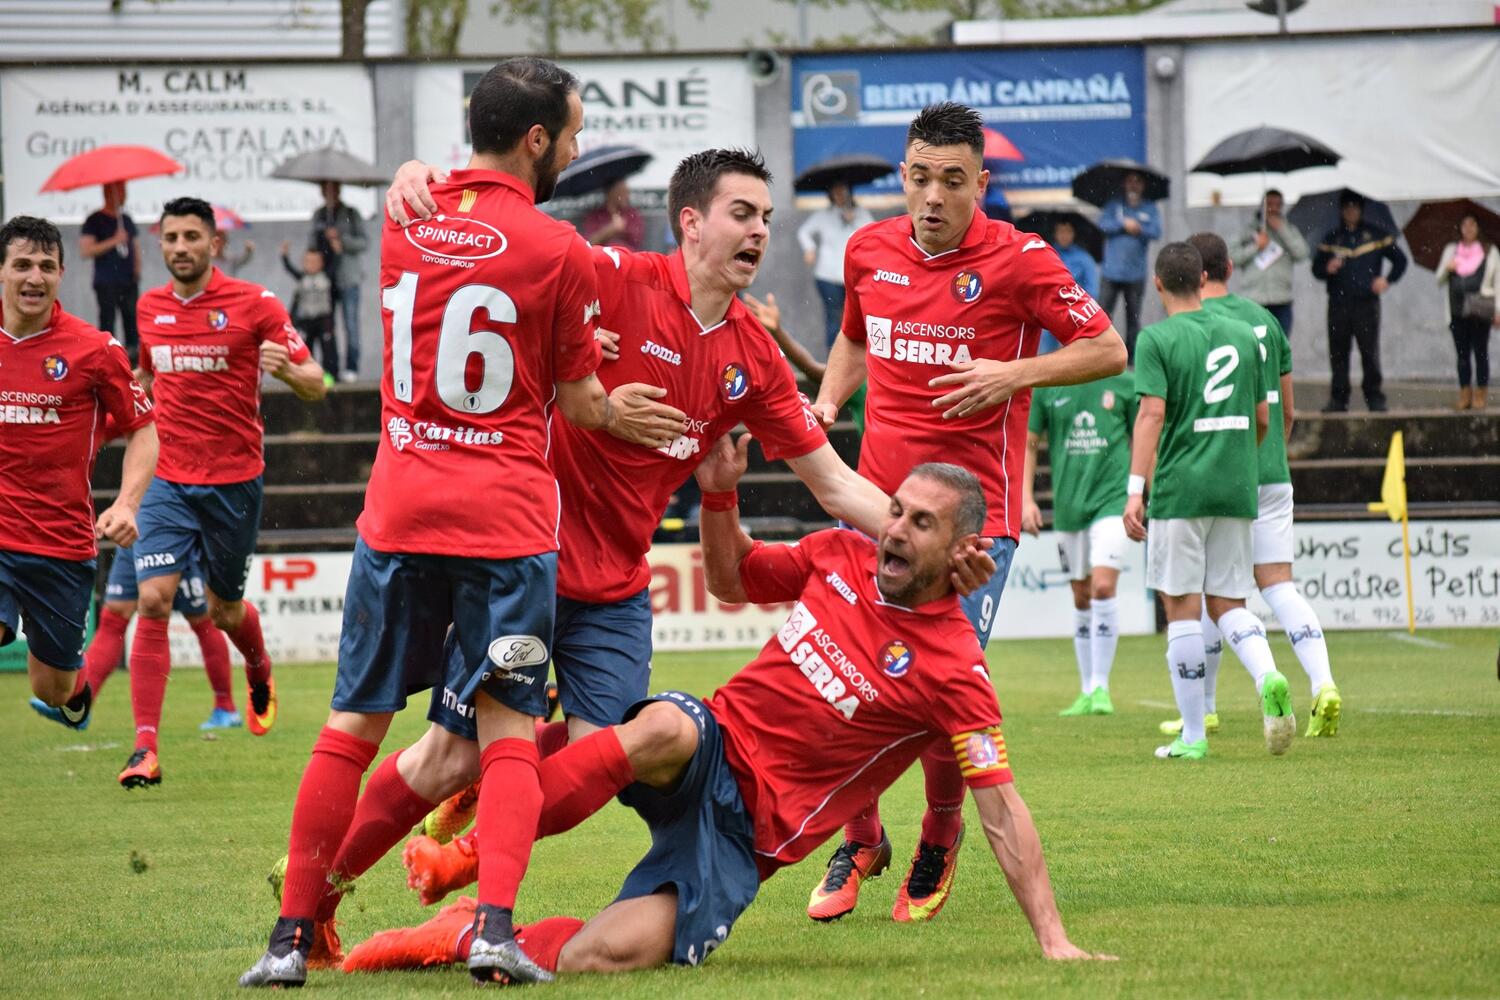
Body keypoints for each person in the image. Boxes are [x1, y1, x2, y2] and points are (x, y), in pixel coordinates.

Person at [287, 145, 993, 961]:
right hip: (527, 560)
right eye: (741, 213)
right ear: (689, 222)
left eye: (766, 218)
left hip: (616, 586)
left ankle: (478, 869)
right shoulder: (610, 276)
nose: (759, 231)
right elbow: (501, 257)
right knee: (445, 757)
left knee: (602, 759)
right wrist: (424, 179)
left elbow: (835, 485)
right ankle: (316, 900)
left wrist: (932, 543)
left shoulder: (752, 357)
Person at [237, 56, 672, 990]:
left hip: (398, 511)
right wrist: (614, 403)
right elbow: (580, 404)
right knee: (510, 731)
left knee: (352, 725)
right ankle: (493, 933)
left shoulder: (409, 214)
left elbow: (456, 273)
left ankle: (287, 939)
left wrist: (418, 174)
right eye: (573, 133)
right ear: (536, 139)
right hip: (504, 528)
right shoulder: (558, 248)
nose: (577, 149)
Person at [340, 460, 1115, 977]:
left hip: (747, 839)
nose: (895, 530)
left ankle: (459, 932)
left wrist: (1054, 940)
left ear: (961, 550)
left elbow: (1002, 810)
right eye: (895, 511)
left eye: (921, 524)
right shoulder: (839, 555)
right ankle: (469, 854)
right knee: (661, 727)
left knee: (600, 958)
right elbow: (731, 577)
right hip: (711, 743)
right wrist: (719, 494)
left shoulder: (956, 670)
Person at [808, 101, 1126, 926]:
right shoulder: (867, 249)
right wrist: (829, 401)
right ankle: (860, 838)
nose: (933, 196)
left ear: (980, 184)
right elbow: (855, 338)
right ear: (902, 176)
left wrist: (1010, 376)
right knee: (838, 679)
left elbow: (1108, 348)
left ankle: (939, 832)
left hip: (971, 523)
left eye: (952, 180)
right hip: (874, 508)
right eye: (920, 178)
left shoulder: (1022, 260)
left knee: (939, 695)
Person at [126, 197, 326, 790]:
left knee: (223, 610)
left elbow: (316, 383)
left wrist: (285, 371)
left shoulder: (255, 303)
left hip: (234, 481)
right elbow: (145, 378)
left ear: (214, 244)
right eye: (171, 237)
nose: (180, 247)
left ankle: (258, 669)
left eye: (191, 236)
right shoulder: (149, 307)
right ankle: (144, 750)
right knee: (153, 599)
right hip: (167, 477)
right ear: (160, 245)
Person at [1152, 232, 1341, 740]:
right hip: (1269, 469)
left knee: (1205, 593)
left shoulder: (1192, 327)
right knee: (1276, 585)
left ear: (1192, 275)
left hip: (1213, 472)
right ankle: (1323, 683)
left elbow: (1169, 411)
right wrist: (1268, 452)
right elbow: (1286, 409)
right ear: (1230, 268)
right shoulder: (1265, 322)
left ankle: (1205, 710)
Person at [1123, 242, 1293, 761]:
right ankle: (1268, 675)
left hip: (1182, 488)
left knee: (1181, 607)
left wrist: (1135, 490)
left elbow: (1152, 414)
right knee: (1229, 605)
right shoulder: (1243, 335)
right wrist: (1235, 459)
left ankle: (1194, 736)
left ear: (1157, 284)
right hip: (1237, 486)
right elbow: (1264, 418)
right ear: (1203, 279)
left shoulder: (1156, 338)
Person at [0, 215, 158, 732]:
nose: (35, 277)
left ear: (61, 274)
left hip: (60, 544)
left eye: (46, 266)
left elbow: (143, 430)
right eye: (22, 264)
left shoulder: (95, 349)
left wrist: (127, 504)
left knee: (52, 687)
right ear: (2, 271)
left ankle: (75, 690)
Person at [1021, 367, 1136, 717]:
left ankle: (1101, 686)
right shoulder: (1049, 384)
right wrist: (1026, 499)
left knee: (1103, 587)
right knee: (1081, 594)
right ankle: (1086, 690)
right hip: (1069, 506)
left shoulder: (1125, 383)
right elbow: (1029, 443)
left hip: (1112, 501)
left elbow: (1145, 437)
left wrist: (1140, 492)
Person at [1311, 191, 1407, 412]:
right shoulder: (1333, 238)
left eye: (1354, 207)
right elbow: (1316, 269)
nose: (1351, 211)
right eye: (1347, 208)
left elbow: (1400, 261)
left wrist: (1387, 280)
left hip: (1366, 303)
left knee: (1369, 352)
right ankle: (1339, 398)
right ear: (1341, 210)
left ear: (1361, 210)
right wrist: (1328, 267)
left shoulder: (1375, 235)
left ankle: (1374, 397)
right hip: (1338, 303)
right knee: (1338, 352)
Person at [1435, 213, 1500, 410]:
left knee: (1480, 351)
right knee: (1462, 354)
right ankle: (1465, 392)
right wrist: (1448, 268)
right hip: (1457, 310)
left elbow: (1498, 282)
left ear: (1478, 228)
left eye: (1473, 224)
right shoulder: (1452, 250)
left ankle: (1481, 392)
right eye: (1465, 225)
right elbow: (1439, 279)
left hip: (1480, 309)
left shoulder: (1489, 251)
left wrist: (1498, 310)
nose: (1469, 229)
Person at [796, 181, 873, 347]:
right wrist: (810, 248)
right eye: (836, 192)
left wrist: (854, 221)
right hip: (828, 275)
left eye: (842, 191)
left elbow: (872, 234)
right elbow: (804, 231)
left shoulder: (861, 214)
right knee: (833, 317)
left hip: (853, 276)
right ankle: (832, 356)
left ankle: (853, 355)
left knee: (855, 318)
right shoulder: (823, 215)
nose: (839, 195)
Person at [1097, 171, 1162, 362]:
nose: (1134, 185)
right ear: (1124, 184)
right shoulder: (1114, 205)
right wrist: (1122, 224)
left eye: (1138, 181)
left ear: (1143, 185)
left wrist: (1139, 228)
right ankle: (1100, 354)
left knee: (1133, 318)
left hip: (1135, 273)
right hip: (1111, 272)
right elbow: (1102, 225)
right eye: (1130, 181)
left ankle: (1131, 359)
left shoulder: (1150, 207)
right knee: (1101, 315)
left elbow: (1156, 231)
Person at [310, 180, 368, 382]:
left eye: (332, 189)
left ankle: (352, 367)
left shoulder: (351, 213)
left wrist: (341, 240)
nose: (329, 193)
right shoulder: (319, 215)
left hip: (348, 277)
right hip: (326, 278)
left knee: (351, 324)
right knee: (327, 327)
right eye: (326, 189)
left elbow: (363, 242)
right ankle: (330, 369)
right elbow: (312, 245)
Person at [79, 181, 142, 363]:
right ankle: (108, 360)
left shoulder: (126, 220)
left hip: (128, 281)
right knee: (108, 322)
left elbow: (135, 246)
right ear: (108, 192)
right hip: (106, 282)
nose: (124, 195)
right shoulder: (94, 220)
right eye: (120, 191)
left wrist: (137, 268)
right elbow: (86, 250)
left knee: (132, 323)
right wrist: (114, 240)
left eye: (124, 191)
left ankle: (133, 361)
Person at [1230, 189, 1307, 337]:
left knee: (1280, 343)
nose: (1273, 208)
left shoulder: (1289, 229)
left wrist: (1282, 229)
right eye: (1269, 204)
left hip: (1281, 299)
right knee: (1255, 343)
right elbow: (1232, 257)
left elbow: (1302, 253)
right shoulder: (1249, 230)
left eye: (1278, 205)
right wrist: (1256, 247)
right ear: (1262, 206)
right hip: (1255, 299)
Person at [1038, 218, 1102, 355]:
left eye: (1068, 232)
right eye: (1061, 232)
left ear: (1074, 234)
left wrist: (1081, 309)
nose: (1064, 236)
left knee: (1076, 355)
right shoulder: (1046, 253)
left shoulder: (1084, 258)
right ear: (1055, 234)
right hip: (1049, 310)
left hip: (1074, 311)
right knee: (1046, 354)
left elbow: (1092, 288)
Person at [280, 241, 339, 385]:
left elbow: (335, 265)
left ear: (321, 263)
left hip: (324, 319)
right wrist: (285, 256)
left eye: (315, 262)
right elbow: (289, 268)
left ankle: (329, 378)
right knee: (306, 350)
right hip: (306, 320)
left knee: (328, 350)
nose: (311, 265)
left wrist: (336, 252)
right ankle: (309, 377)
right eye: (308, 261)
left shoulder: (326, 276)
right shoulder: (302, 278)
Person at [582, 178, 645, 251]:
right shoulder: (595, 216)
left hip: (627, 255)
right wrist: (610, 230)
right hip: (602, 255)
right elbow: (590, 243)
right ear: (610, 193)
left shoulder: (632, 214)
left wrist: (621, 231)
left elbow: (637, 239)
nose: (626, 196)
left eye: (627, 192)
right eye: (621, 192)